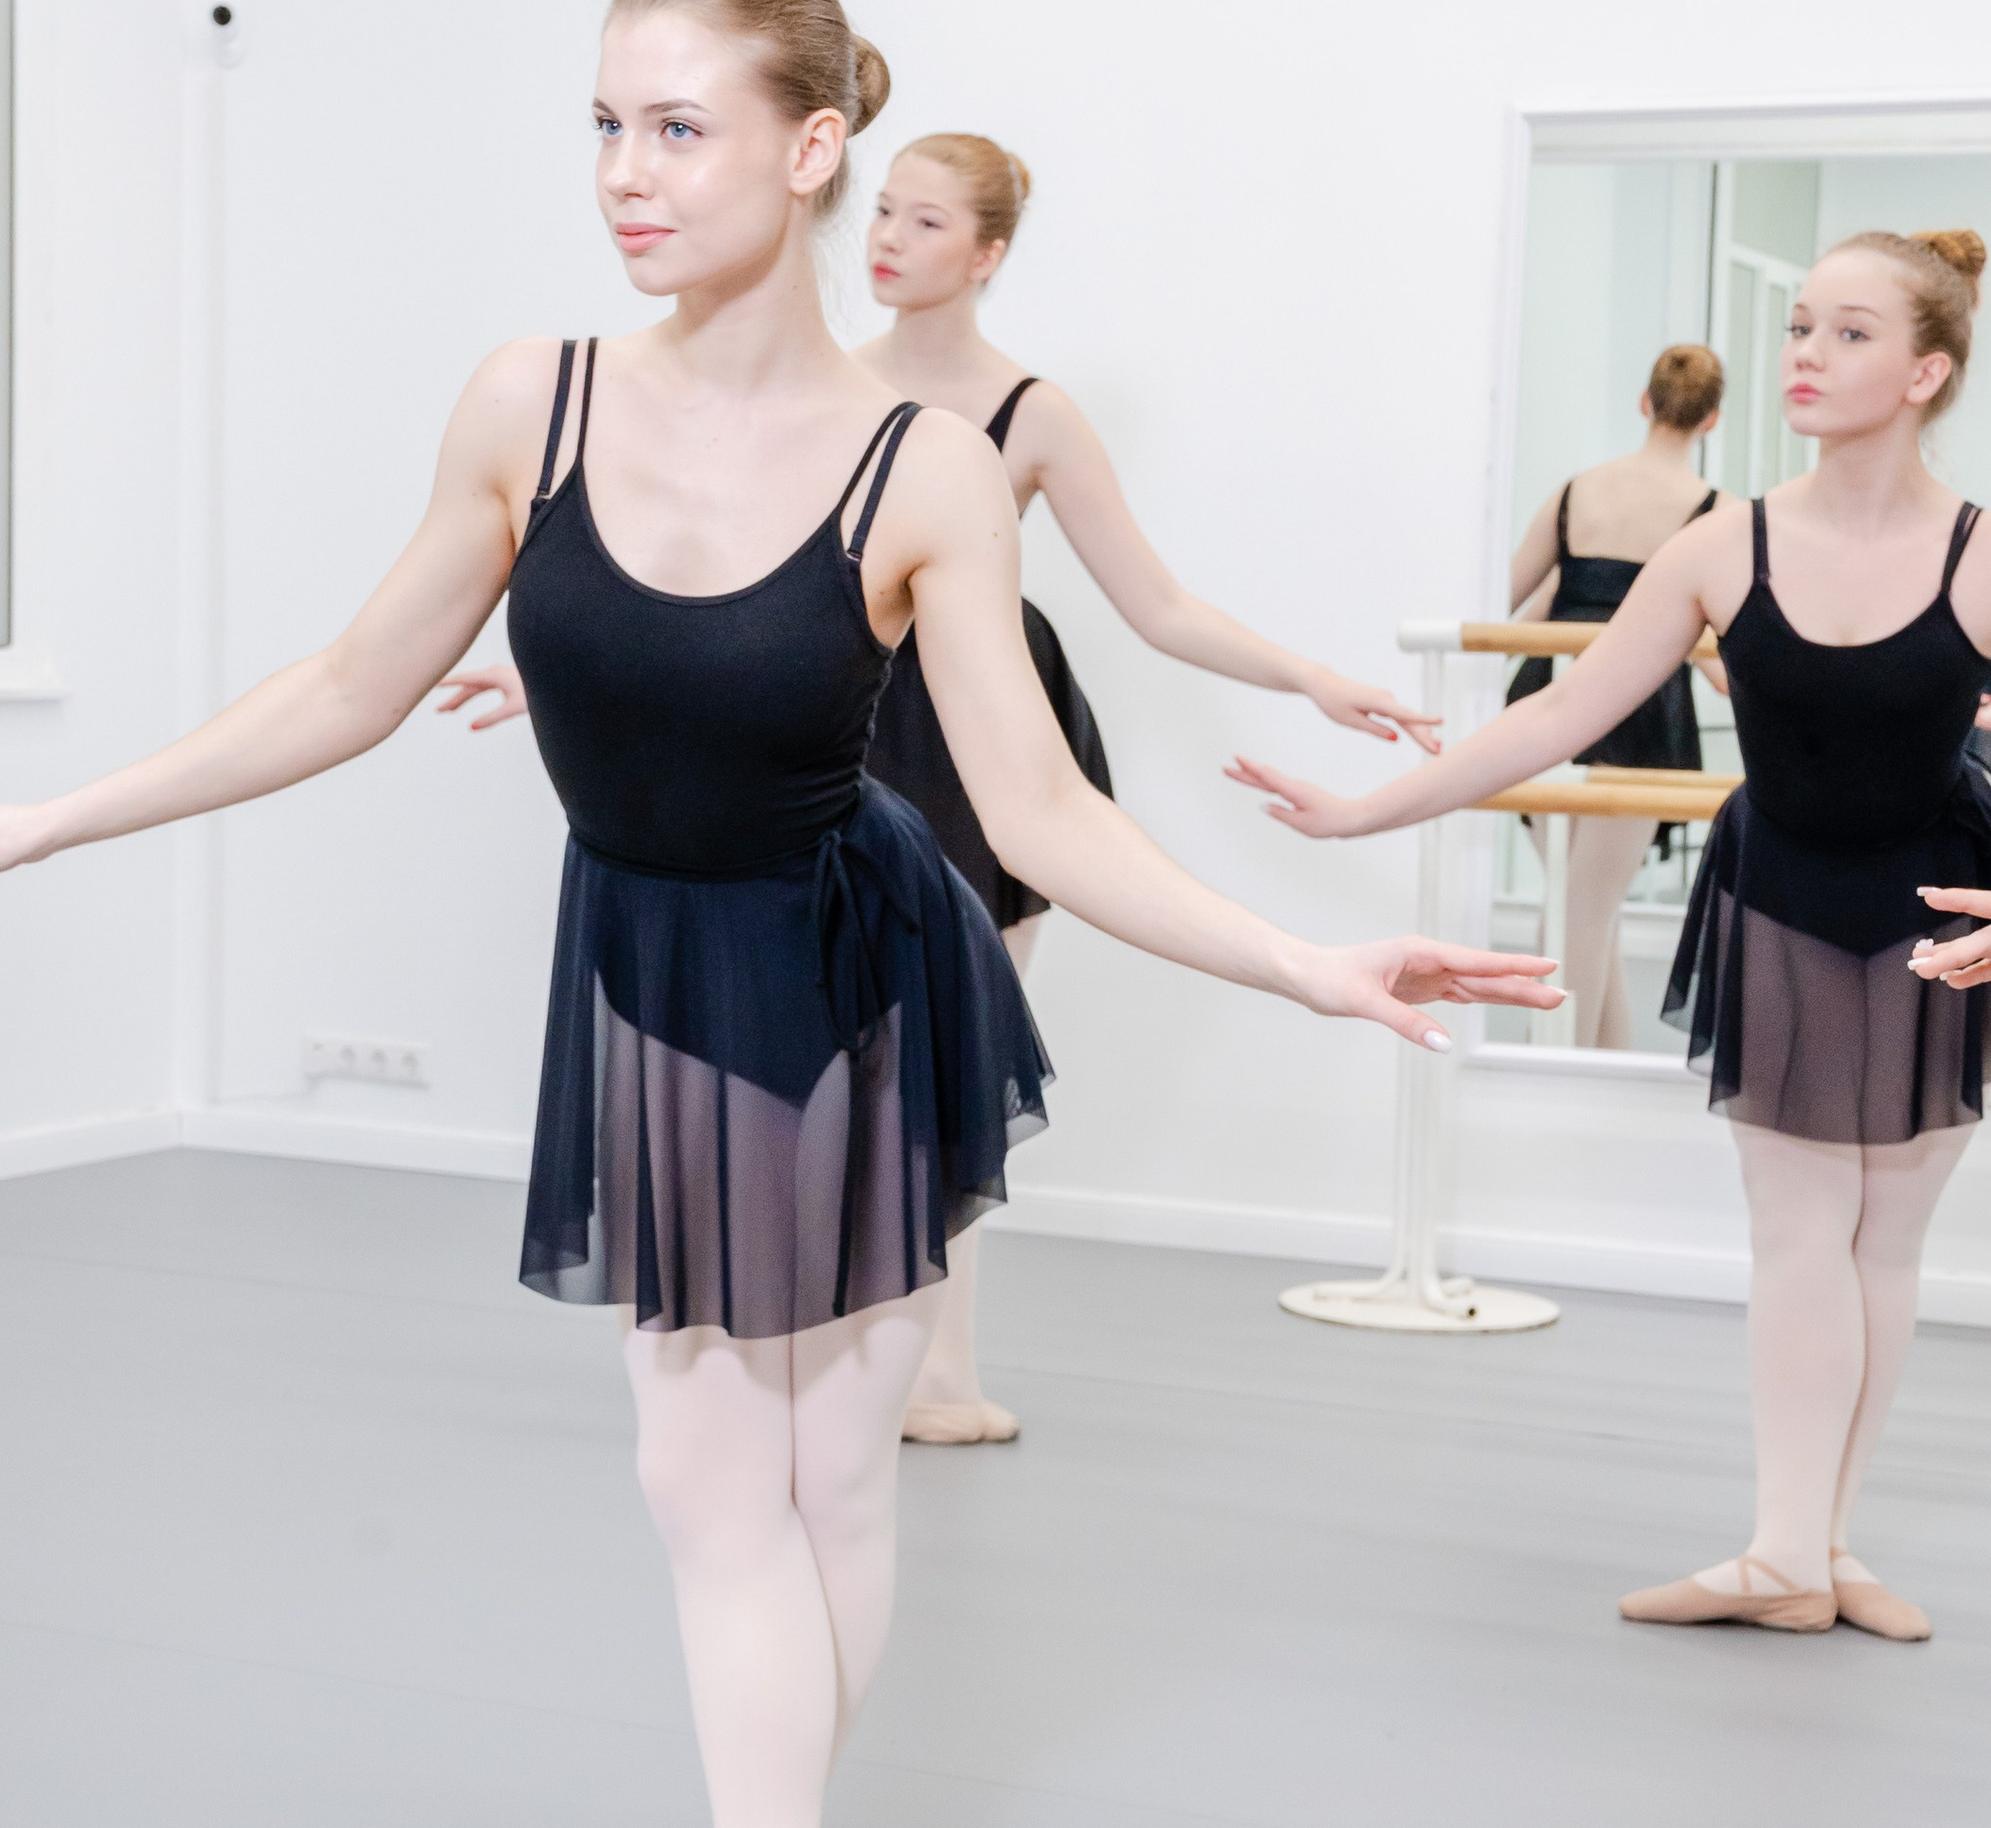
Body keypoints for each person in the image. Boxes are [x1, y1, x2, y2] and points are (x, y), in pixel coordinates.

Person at [0, 0, 1552, 1828]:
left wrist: (1304, 962)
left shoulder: (919, 468)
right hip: (645, 961)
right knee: (793, 1476)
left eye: (677, 128)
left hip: (842, 965)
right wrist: (54, 817)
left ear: (810, 150)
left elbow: (1036, 810)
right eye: (603, 127)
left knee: (738, 1468)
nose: (623, 177)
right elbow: (349, 682)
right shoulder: (526, 402)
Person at [444, 128, 1439, 1445]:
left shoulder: (1028, 417)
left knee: (933, 1074)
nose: (888, 241)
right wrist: (565, 672)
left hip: (986, 748)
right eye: (887, 215)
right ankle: (824, 1353)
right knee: (812, 1080)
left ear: (988, 255)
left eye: (923, 223)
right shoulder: (813, 387)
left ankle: (938, 1369)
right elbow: (703, 580)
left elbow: (1157, 602)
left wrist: (1309, 675)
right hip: (836, 728)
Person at [1229, 227, 1991, 1643]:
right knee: (1799, 1229)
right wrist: (1359, 816)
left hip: (1939, 911)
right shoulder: (1724, 544)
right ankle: (1780, 1551)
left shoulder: (1976, 554)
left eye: (1850, 333)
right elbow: (1554, 719)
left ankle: (1823, 1545)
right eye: (1802, 327)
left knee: (1888, 1244)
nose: (1806, 355)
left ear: (1930, 369)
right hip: (1780, 902)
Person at [1504, 345, 1729, 1047]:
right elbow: (1731, 646)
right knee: (1587, 905)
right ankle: (1563, 1077)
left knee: (1581, 902)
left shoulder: (1577, 493)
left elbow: (1506, 605)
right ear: (1711, 419)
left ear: (1645, 402)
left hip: (1551, 694)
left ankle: (1594, 1067)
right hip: (1640, 708)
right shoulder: (1718, 514)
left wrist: (1568, 599)